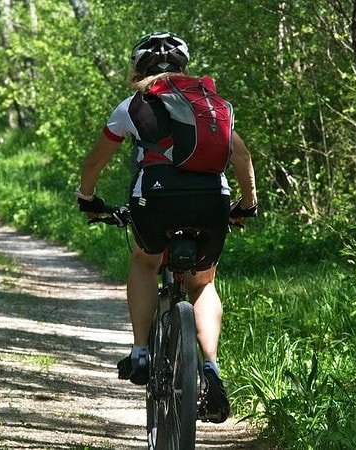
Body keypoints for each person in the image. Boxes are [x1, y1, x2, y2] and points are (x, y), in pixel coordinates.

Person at [75, 32, 257, 423]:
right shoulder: (211, 105)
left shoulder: (132, 106)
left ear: (137, 69)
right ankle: (210, 367)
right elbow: (241, 156)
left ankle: (140, 352)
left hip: (155, 202)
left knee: (145, 261)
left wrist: (87, 200)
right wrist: (247, 206)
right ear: (183, 67)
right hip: (212, 202)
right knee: (203, 283)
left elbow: (94, 163)